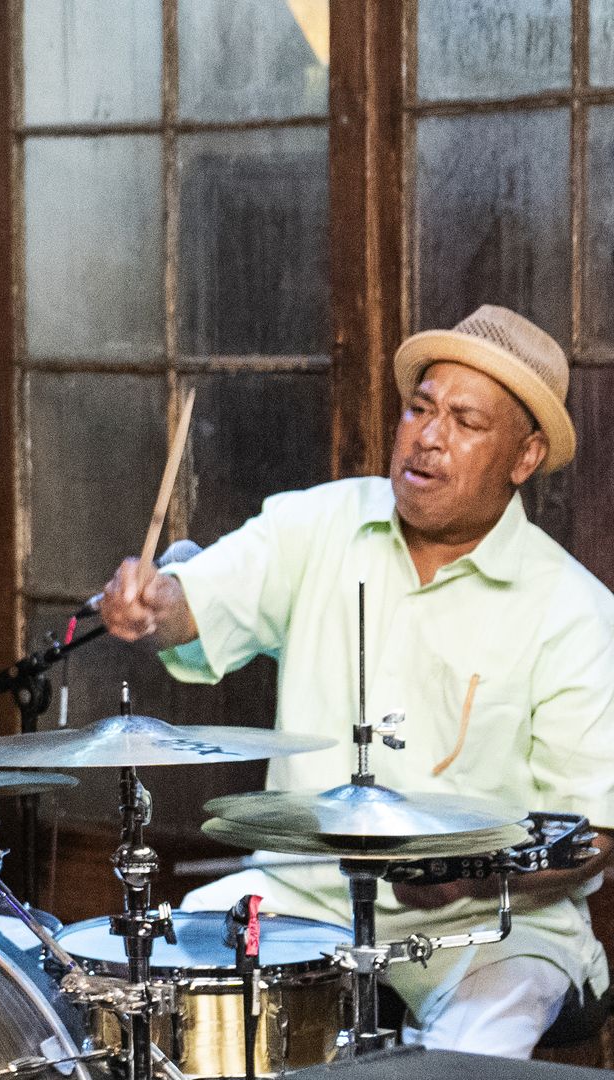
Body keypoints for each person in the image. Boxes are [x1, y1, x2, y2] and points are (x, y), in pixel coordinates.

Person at [97, 304, 614, 1056]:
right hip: (300, 894)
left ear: (525, 455)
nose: (429, 437)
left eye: (466, 422)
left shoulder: (576, 612)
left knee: (475, 1050)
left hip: (497, 927)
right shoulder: (322, 525)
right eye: (420, 408)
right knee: (165, 985)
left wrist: (466, 875)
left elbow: (591, 834)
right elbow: (199, 603)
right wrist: (157, 606)